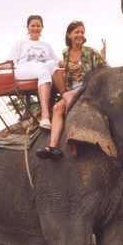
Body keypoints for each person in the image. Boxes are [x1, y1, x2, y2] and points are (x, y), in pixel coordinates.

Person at [36, 20, 106, 159]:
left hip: (88, 88)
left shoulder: (90, 52)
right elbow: (60, 69)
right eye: (76, 32)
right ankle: (52, 147)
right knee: (57, 108)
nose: (80, 34)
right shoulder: (65, 53)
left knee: (67, 98)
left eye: (82, 32)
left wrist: (103, 55)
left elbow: (104, 69)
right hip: (71, 90)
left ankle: (73, 139)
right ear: (69, 35)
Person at [0, 15, 58, 129]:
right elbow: (10, 61)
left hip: (41, 70)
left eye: (38, 26)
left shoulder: (46, 45)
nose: (35, 28)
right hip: (23, 70)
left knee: (52, 66)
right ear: (28, 28)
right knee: (44, 71)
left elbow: (57, 61)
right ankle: (45, 116)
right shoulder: (21, 43)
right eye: (33, 25)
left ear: (42, 27)